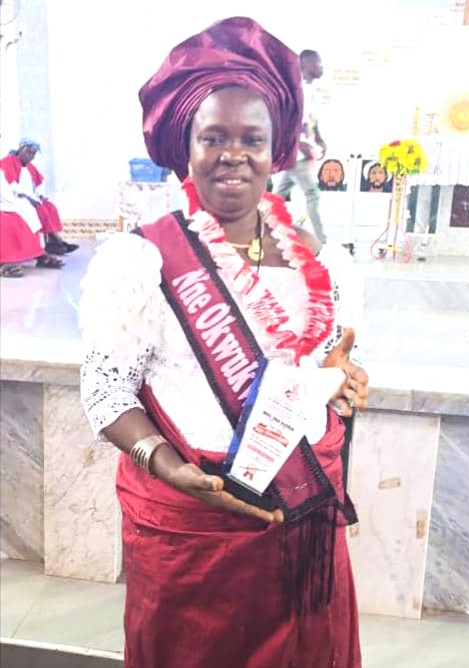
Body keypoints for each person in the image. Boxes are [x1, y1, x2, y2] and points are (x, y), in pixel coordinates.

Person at [79, 17, 368, 668]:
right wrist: (164, 463)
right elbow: (104, 392)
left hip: (302, 528)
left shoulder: (324, 264)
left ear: (276, 151)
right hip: (191, 528)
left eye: (251, 139)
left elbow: (325, 363)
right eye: (214, 137)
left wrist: (343, 374)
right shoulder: (141, 262)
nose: (233, 154)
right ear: (188, 148)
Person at [274, 49, 328, 242]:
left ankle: (262, 224)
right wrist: (298, 143)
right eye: (318, 63)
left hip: (303, 152)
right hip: (295, 152)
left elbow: (310, 120)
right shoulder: (296, 90)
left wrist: (319, 138)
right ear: (304, 65)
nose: (322, 67)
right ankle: (322, 241)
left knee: (277, 196)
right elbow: (288, 120)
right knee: (312, 193)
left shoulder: (312, 91)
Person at [0, 139, 68, 277]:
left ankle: (39, 255)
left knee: (26, 215)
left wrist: (25, 200)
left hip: (8, 201)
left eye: (33, 153)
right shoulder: (7, 163)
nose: (31, 156)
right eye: (28, 152)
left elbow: (9, 189)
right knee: (6, 223)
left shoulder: (23, 166)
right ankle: (4, 263)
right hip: (7, 201)